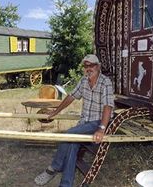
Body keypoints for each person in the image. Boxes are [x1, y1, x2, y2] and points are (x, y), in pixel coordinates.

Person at [34, 54, 115, 187]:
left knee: (68, 135)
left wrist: (101, 128)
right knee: (72, 144)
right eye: (86, 66)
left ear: (98, 66)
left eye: (92, 65)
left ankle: (54, 167)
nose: (88, 68)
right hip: (84, 123)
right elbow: (71, 96)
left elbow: (108, 106)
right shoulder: (84, 81)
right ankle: (65, 184)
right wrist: (55, 112)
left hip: (97, 123)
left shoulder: (105, 82)